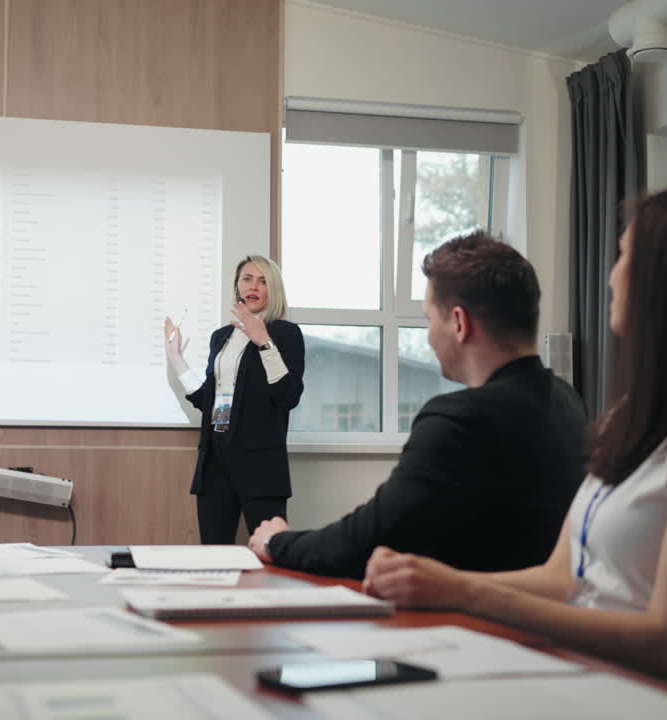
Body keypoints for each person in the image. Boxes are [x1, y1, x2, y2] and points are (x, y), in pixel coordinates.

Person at [362, 184, 667, 708]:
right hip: (591, 674)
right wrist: (435, 583)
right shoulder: (639, 417)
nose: (611, 275)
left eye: (624, 256)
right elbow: (563, 577)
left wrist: (465, 593)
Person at [247, 231, 587, 578]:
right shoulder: (568, 401)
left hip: (469, 612)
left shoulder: (460, 419)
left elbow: (367, 541)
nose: (429, 336)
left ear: (459, 323)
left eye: (429, 319)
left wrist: (278, 541)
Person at [165, 255, 304, 544]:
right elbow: (211, 401)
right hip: (215, 460)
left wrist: (263, 342)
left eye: (263, 281)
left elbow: (288, 395)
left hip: (261, 465)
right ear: (237, 286)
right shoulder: (221, 337)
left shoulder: (285, 333)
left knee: (269, 552)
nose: (253, 286)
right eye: (247, 279)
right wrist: (176, 359)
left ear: (274, 289)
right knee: (214, 556)